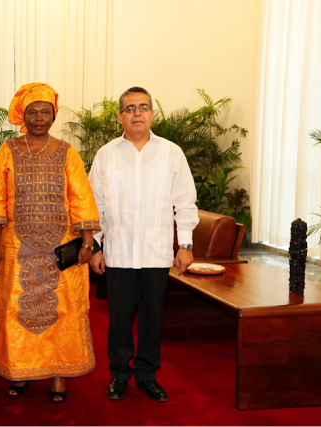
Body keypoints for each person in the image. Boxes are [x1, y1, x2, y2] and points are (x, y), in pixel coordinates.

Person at [0, 83, 101, 404]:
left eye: (45, 112)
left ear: (53, 116)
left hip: (60, 249)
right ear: (23, 116)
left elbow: (81, 199)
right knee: (14, 310)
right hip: (16, 248)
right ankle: (19, 371)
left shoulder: (66, 151)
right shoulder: (8, 150)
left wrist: (87, 243)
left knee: (62, 310)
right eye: (32, 112)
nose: (39, 118)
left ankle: (58, 375)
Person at [88, 86, 199, 403]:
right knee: (119, 319)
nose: (137, 113)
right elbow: (94, 205)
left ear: (152, 113)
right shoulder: (107, 154)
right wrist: (95, 246)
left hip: (156, 252)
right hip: (119, 253)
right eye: (130, 108)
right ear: (120, 116)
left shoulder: (171, 153)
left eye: (143, 107)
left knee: (152, 317)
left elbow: (185, 202)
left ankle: (147, 375)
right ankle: (119, 374)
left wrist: (185, 243)